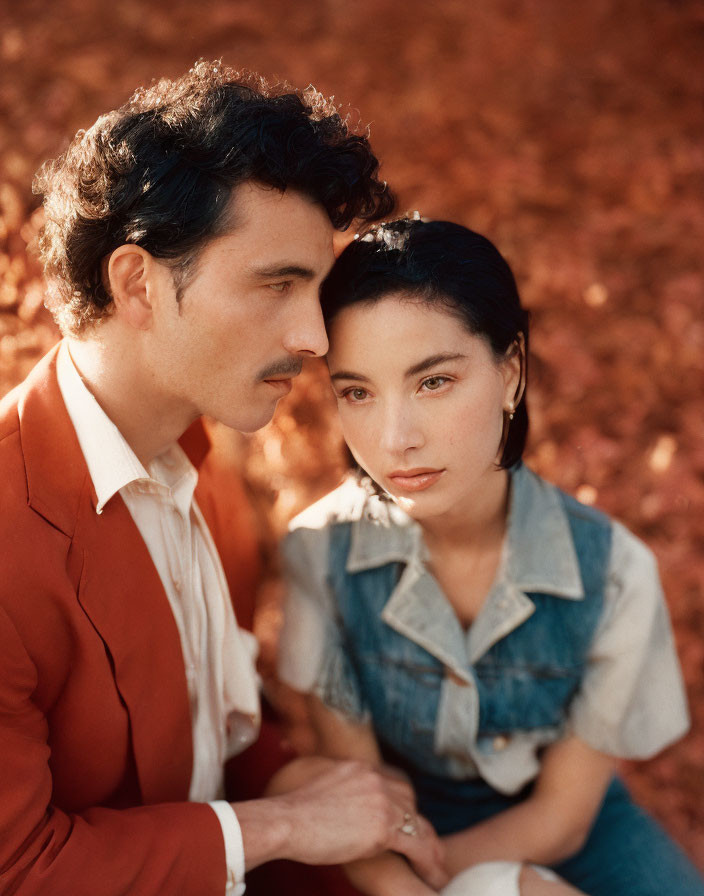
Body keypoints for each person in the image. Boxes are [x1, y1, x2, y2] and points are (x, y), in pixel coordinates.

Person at [0, 64, 449, 895]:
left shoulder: (197, 461)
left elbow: (210, 730)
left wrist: (294, 786)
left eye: (316, 290)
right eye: (277, 284)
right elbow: (19, 870)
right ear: (138, 282)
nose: (315, 335)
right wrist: (285, 825)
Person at [278, 218, 704, 896]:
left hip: (574, 826)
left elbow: (563, 819)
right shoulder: (319, 555)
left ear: (511, 371)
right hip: (398, 827)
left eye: (433, 382)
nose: (395, 440)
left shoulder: (615, 574)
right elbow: (357, 791)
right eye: (357, 392)